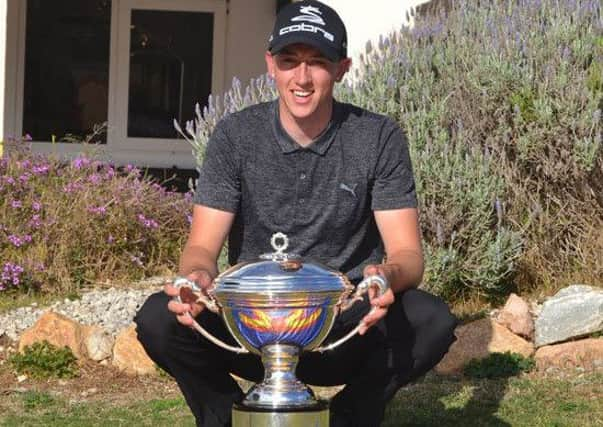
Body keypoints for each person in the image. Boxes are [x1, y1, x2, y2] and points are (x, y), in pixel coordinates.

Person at [134, 1, 457, 426]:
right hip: (254, 324)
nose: (301, 78)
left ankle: (347, 418)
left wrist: (385, 278)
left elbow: (408, 255)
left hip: (345, 326)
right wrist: (196, 280)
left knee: (431, 321)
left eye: (317, 63)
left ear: (342, 67)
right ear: (271, 65)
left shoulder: (378, 137)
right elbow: (200, 248)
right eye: (290, 61)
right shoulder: (235, 136)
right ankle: (230, 417)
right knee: (159, 318)